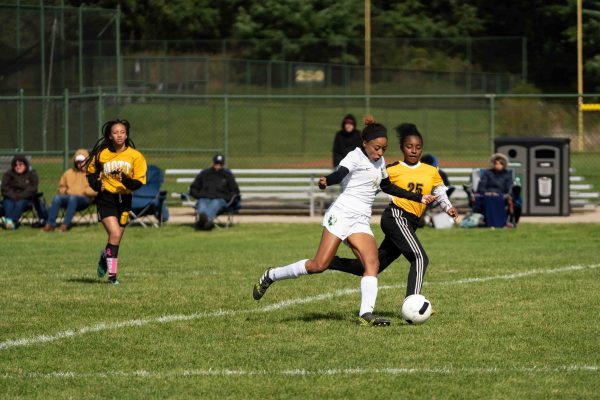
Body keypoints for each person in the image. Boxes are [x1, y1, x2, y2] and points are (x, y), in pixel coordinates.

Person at [252, 117, 434, 327]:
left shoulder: (380, 162)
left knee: (372, 264)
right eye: (377, 148)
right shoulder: (354, 156)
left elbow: (388, 187)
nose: (380, 153)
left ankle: (365, 315)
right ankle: (271, 275)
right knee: (318, 265)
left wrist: (418, 197)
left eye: (384, 148)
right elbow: (340, 174)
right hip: (341, 215)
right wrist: (326, 181)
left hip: (360, 220)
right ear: (365, 143)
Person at [329, 123, 458, 300]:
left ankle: (329, 262)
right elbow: (370, 185)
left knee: (372, 267)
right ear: (402, 148)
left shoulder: (431, 171)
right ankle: (413, 303)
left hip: (411, 223)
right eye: (409, 146)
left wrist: (448, 207)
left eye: (418, 147)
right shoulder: (392, 169)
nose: (414, 150)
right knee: (420, 258)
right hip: (397, 217)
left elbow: (439, 191)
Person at [86, 119, 147, 284]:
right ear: (110, 136)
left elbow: (138, 183)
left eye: (122, 132)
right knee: (114, 234)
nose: (119, 135)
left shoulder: (136, 156)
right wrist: (98, 185)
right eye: (115, 132)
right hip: (106, 198)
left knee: (117, 238)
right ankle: (113, 278)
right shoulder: (101, 154)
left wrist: (126, 180)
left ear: (126, 135)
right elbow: (90, 172)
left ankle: (105, 255)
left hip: (125, 199)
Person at [42, 149, 97, 232]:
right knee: (57, 198)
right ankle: (50, 224)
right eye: (78, 161)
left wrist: (84, 192)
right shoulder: (68, 173)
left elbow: (96, 189)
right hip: (69, 197)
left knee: (73, 198)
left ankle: (65, 225)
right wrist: (65, 192)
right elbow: (61, 187)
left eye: (82, 161)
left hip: (85, 199)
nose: (80, 164)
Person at [189, 154, 240, 231]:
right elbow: (193, 188)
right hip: (204, 198)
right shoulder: (204, 173)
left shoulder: (228, 175)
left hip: (220, 200)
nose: (218, 165)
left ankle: (203, 222)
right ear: (212, 163)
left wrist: (228, 198)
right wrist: (198, 195)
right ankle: (207, 223)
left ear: (223, 164)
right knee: (202, 203)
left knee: (215, 203)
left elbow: (235, 190)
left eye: (220, 164)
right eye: (216, 163)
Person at [1, 155, 47, 230]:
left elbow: (33, 188)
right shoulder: (8, 174)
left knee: (20, 203)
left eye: (20, 164)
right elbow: (4, 188)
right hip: (10, 197)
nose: (18, 167)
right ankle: (12, 224)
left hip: (26, 198)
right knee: (7, 204)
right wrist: (14, 196)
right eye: (15, 165)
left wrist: (20, 196)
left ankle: (9, 222)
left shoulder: (32, 174)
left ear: (25, 165)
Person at [474, 153, 513, 228]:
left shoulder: (507, 174)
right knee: (488, 199)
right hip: (487, 194)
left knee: (496, 199)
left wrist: (502, 194)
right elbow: (481, 185)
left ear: (504, 164)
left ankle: (499, 223)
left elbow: (509, 188)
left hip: (500, 194)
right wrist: (487, 192)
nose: (498, 165)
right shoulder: (487, 173)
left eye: (500, 164)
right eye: (496, 163)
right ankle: (489, 223)